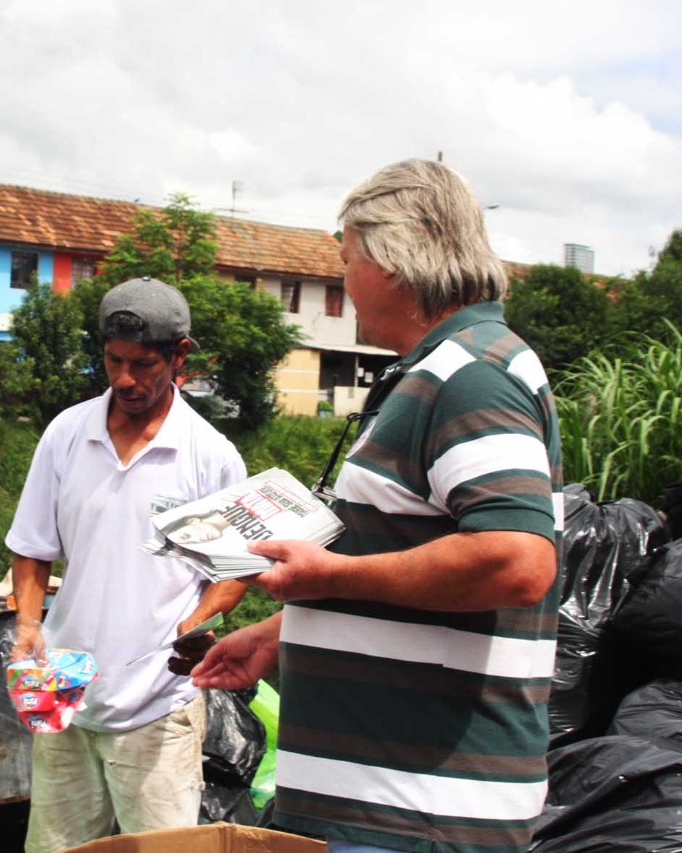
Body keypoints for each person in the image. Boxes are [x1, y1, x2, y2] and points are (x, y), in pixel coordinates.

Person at [192, 159, 563, 853]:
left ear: (396, 258)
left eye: (349, 258)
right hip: (386, 802)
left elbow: (516, 561)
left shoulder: (470, 375)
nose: (344, 280)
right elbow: (403, 555)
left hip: (417, 810)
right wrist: (280, 634)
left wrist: (326, 577)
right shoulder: (437, 371)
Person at [6, 276, 249, 853]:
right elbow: (32, 546)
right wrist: (27, 626)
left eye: (143, 364)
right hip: (64, 690)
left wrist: (198, 620)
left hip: (157, 702)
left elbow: (235, 570)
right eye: (113, 361)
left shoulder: (209, 454)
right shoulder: (67, 433)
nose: (124, 379)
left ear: (180, 355)